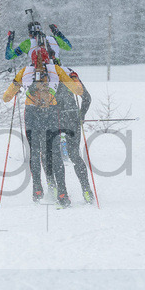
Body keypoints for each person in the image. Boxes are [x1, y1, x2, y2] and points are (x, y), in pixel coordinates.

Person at [3, 20, 85, 206]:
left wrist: (16, 88)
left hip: (32, 113)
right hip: (51, 112)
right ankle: (62, 194)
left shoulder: (25, 71)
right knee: (55, 154)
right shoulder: (55, 69)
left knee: (35, 151)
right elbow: (78, 91)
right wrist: (73, 78)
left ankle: (37, 189)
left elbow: (6, 97)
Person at [51, 65, 94, 204]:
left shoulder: (47, 72)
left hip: (53, 118)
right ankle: (87, 190)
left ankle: (58, 192)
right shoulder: (70, 73)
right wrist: (81, 116)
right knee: (75, 155)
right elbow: (86, 98)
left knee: (53, 156)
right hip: (72, 117)